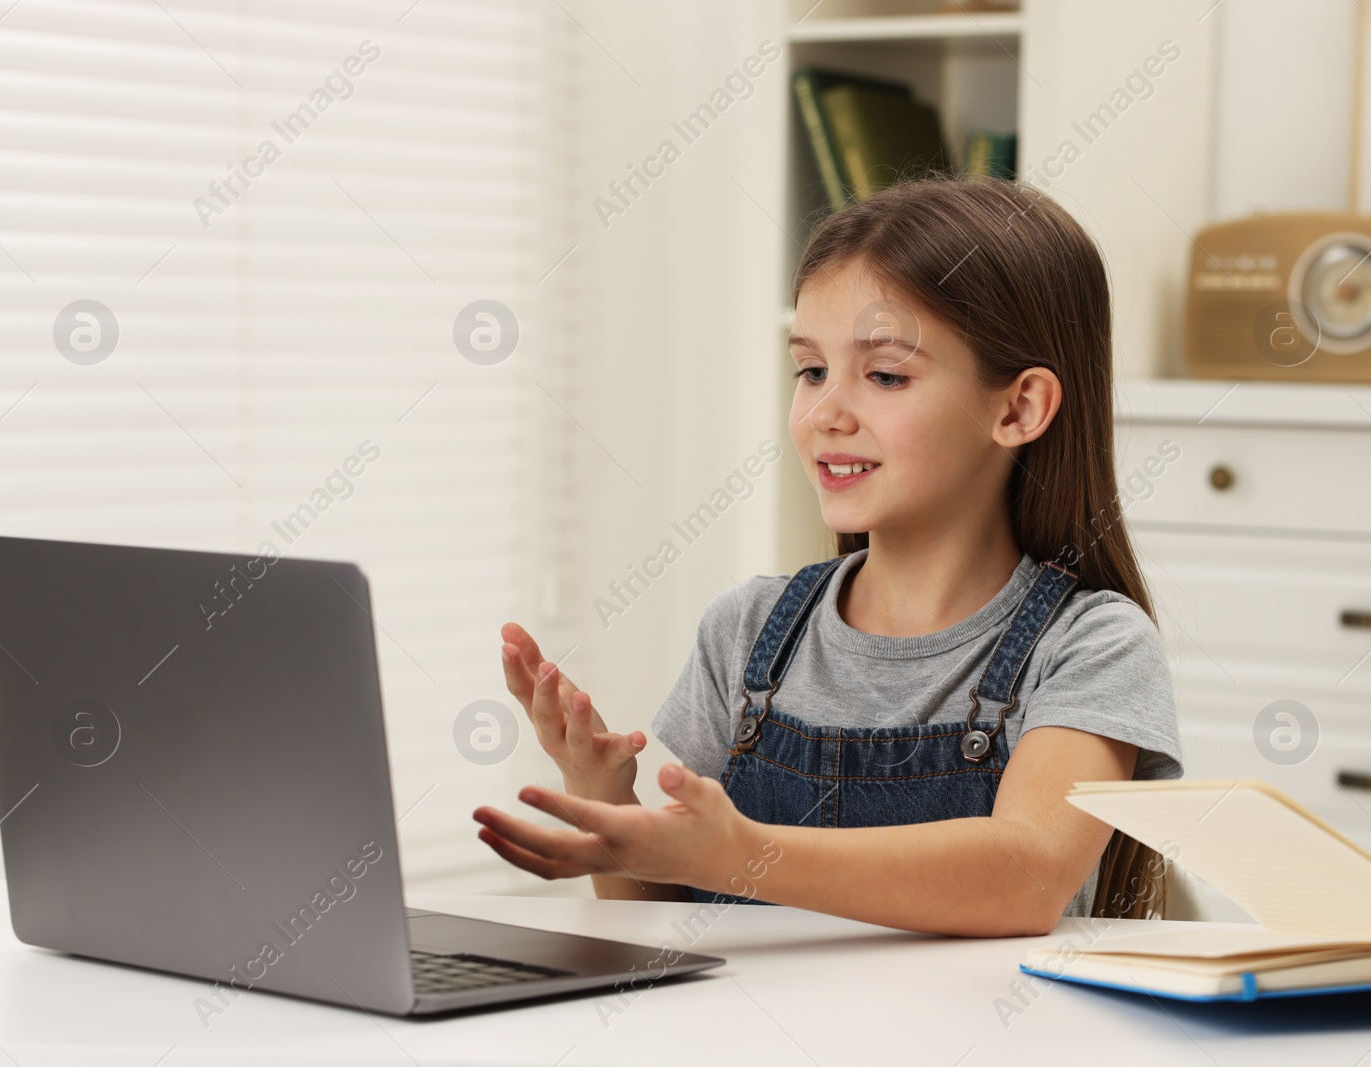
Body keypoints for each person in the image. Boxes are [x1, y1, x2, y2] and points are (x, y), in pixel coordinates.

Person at [473, 177, 1183, 936]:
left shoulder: (1093, 646)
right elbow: (663, 930)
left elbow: (1024, 874)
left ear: (1018, 407)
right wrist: (603, 792)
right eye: (810, 370)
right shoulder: (746, 633)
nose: (824, 413)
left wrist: (742, 853)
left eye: (884, 375)